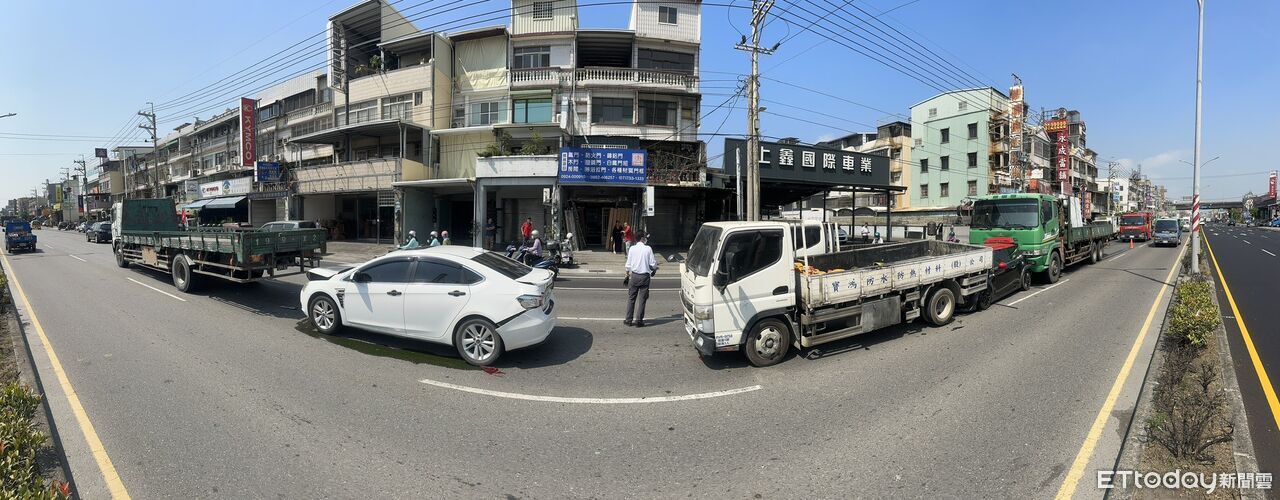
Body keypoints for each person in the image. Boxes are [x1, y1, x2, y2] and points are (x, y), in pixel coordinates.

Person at [624, 231, 657, 327]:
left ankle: (628, 320)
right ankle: (639, 321)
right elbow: (653, 264)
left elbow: (628, 265)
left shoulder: (632, 249)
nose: (646, 238)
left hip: (634, 276)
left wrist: (627, 275)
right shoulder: (648, 249)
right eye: (645, 237)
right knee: (642, 300)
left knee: (631, 299)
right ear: (642, 238)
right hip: (644, 277)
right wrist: (655, 268)